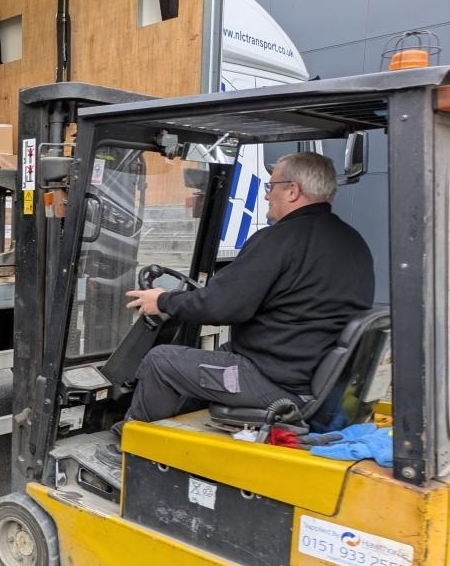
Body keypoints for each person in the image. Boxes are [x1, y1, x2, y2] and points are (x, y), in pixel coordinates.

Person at [98, 151, 375, 466]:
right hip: (309, 373)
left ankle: (132, 449)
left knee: (162, 362)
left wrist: (161, 300)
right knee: (212, 355)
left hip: (276, 384)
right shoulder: (352, 243)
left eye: (271, 186)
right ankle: (178, 435)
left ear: (293, 190)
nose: (267, 194)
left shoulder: (279, 240)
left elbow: (222, 305)